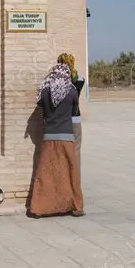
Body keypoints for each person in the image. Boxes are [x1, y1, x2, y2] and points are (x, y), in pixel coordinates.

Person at [28, 62, 84, 218]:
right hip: (66, 136)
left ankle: (39, 208)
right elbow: (74, 111)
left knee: (45, 173)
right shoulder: (72, 91)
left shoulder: (45, 92)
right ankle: (75, 207)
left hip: (49, 137)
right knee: (70, 172)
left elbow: (41, 109)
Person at [57, 52, 85, 175]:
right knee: (76, 151)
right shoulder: (80, 80)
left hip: (62, 119)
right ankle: (76, 182)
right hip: (75, 119)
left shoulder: (57, 80)